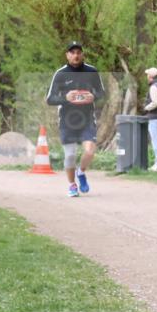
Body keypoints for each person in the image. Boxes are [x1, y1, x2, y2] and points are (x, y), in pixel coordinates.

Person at [45, 41, 105, 197]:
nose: (76, 55)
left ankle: (81, 172)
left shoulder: (92, 71)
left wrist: (94, 96)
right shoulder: (60, 74)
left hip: (87, 119)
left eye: (79, 52)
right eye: (72, 52)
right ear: (67, 55)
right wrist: (65, 97)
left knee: (90, 151)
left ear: (82, 54)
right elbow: (50, 99)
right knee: (70, 156)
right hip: (67, 121)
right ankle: (72, 185)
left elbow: (102, 94)